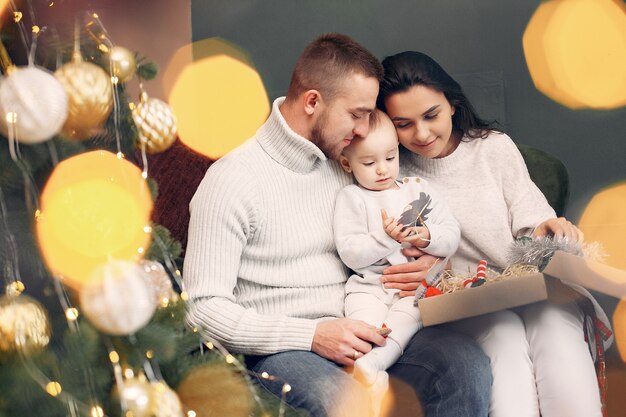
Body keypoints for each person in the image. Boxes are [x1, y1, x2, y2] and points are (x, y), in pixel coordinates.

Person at [184, 34, 491, 417]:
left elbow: (410, 214)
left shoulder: (346, 161)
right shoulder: (232, 181)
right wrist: (311, 335)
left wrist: (427, 266)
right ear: (313, 102)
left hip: (367, 325)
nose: (364, 129)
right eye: (357, 113)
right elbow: (202, 309)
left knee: (465, 365)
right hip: (284, 350)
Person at [376, 50, 613, 417]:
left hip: (527, 290)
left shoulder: (493, 148)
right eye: (403, 123)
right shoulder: (390, 172)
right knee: (502, 335)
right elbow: (397, 259)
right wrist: (432, 274)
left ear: (452, 104)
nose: (421, 133)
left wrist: (548, 231)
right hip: (463, 305)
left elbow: (532, 222)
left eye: (431, 115)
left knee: (553, 324)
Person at [334, 109, 460, 414]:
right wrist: (386, 238)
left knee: (405, 321)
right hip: (369, 286)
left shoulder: (419, 191)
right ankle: (370, 382)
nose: (382, 170)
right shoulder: (352, 198)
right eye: (369, 162)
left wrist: (427, 236)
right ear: (346, 163)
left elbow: (452, 234)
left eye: (390, 158)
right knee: (365, 331)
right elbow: (349, 251)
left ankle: (373, 366)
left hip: (411, 292)